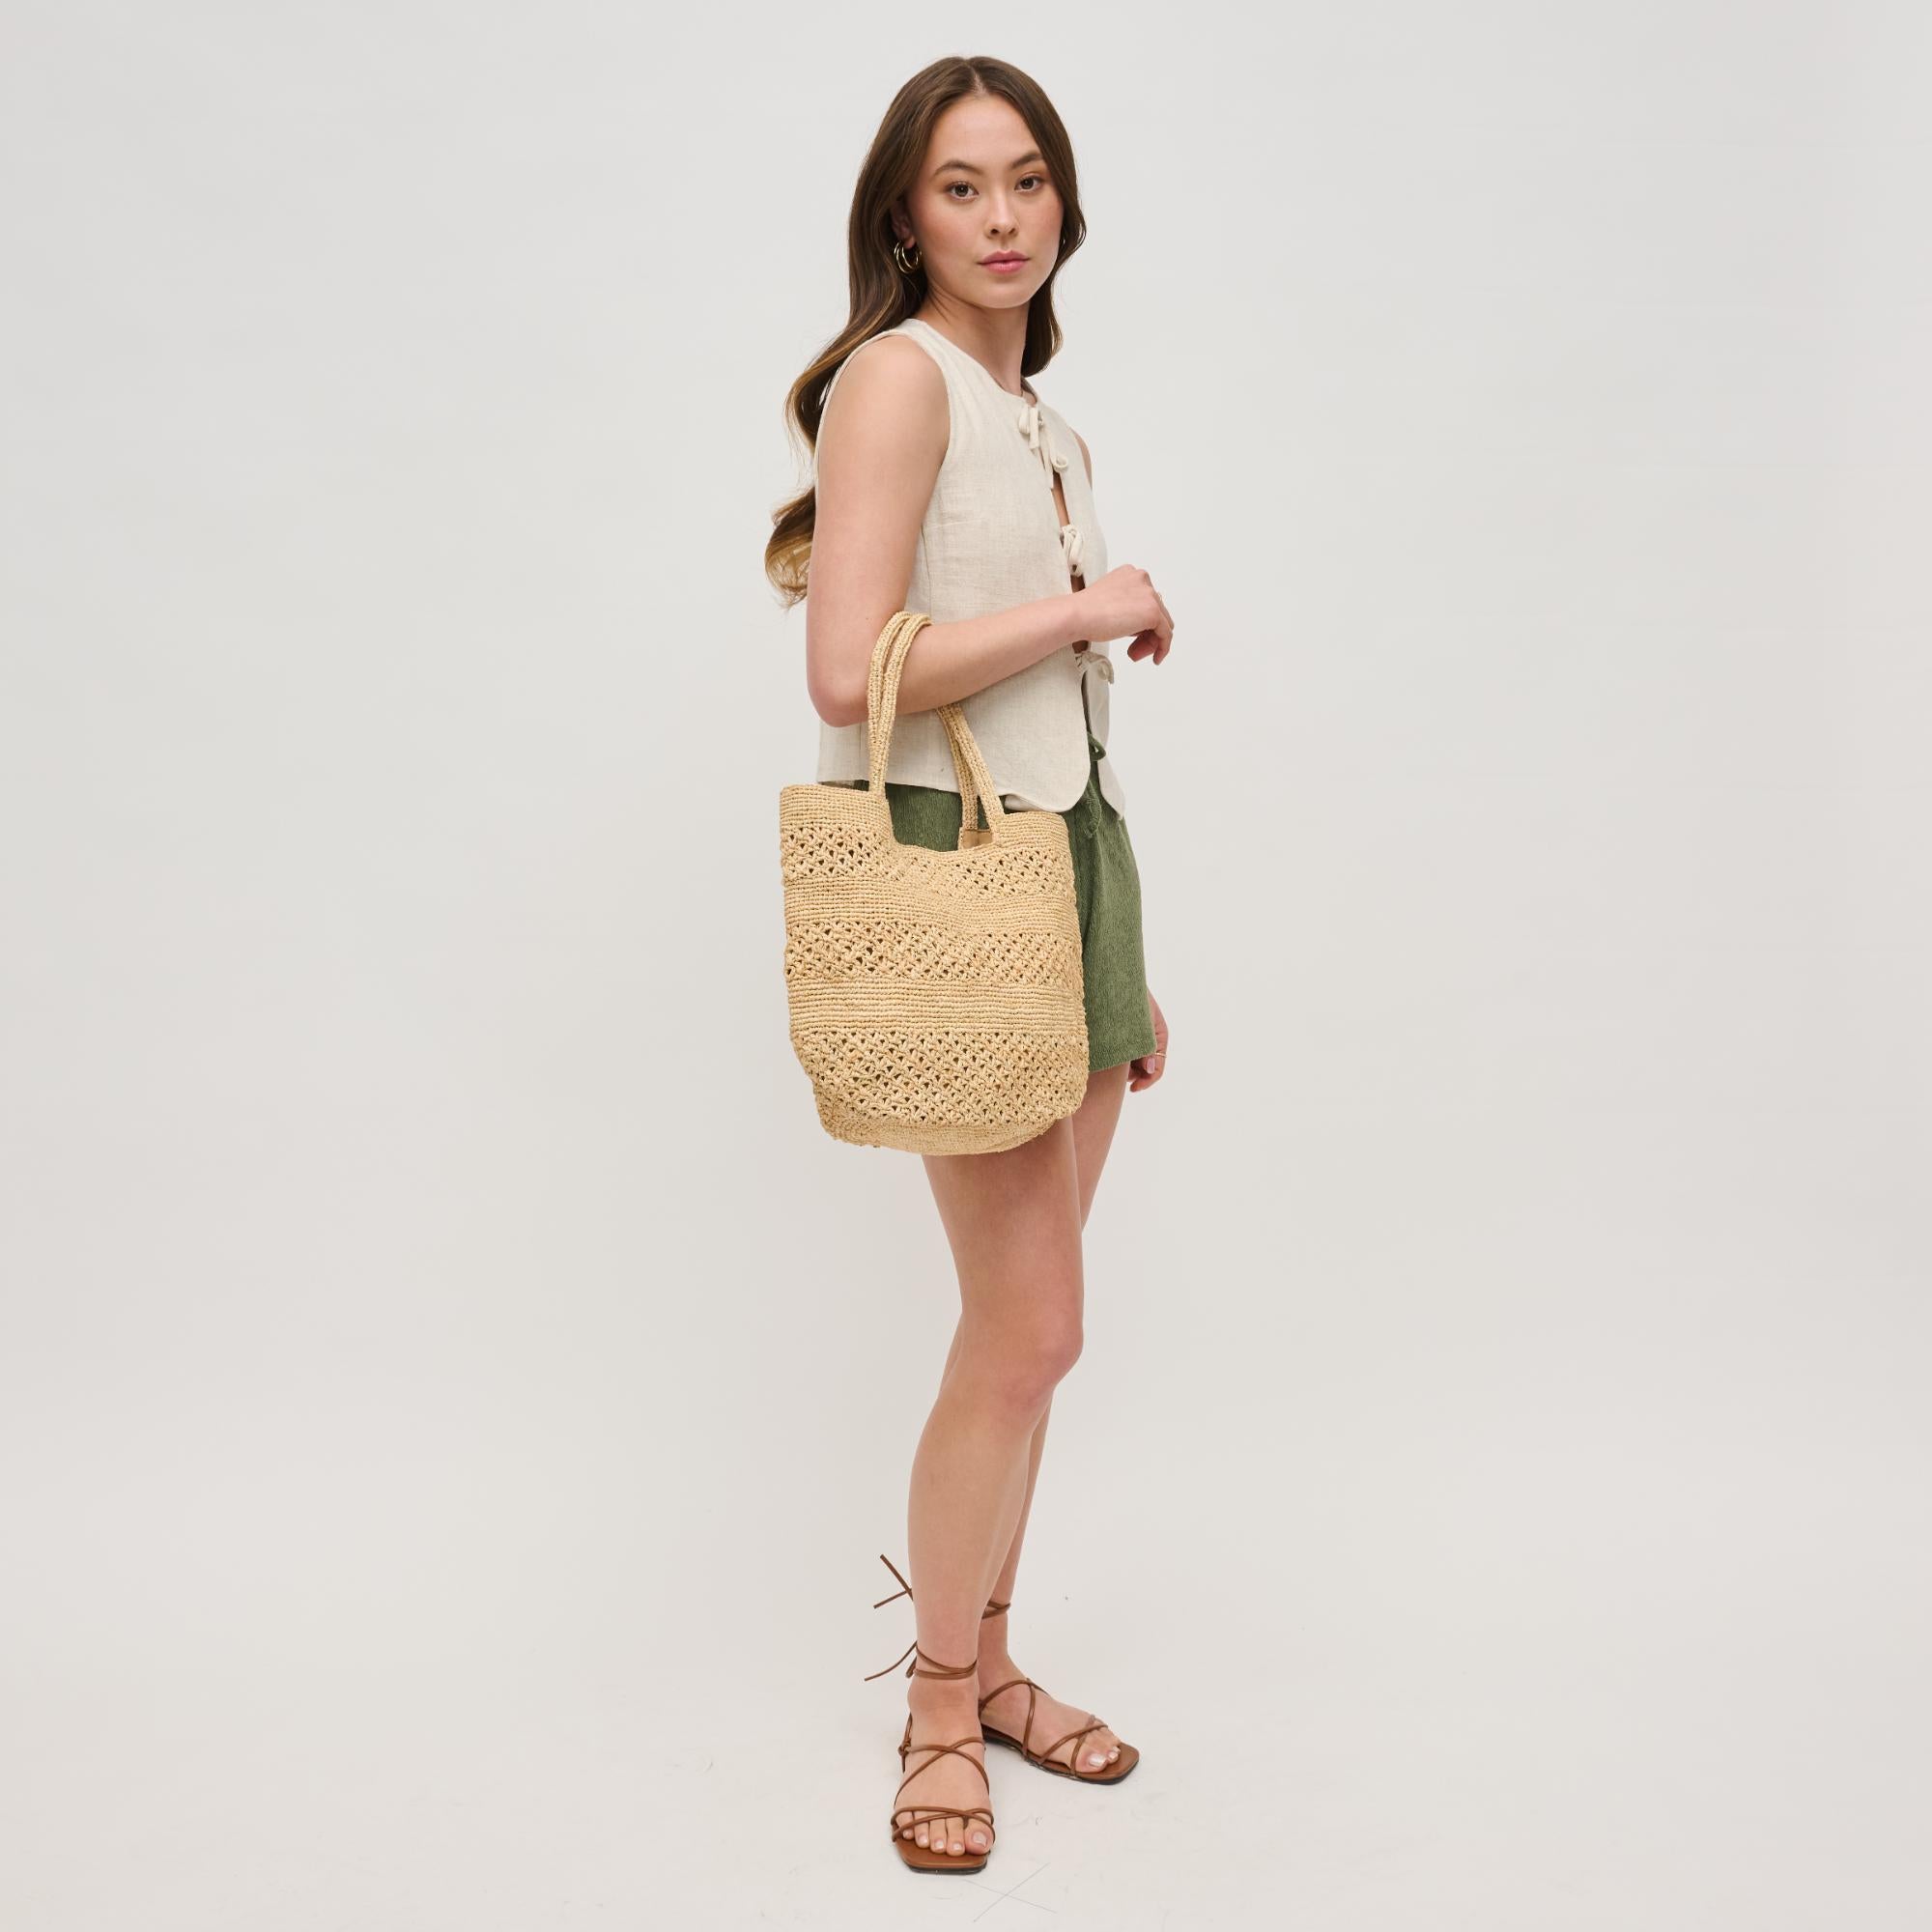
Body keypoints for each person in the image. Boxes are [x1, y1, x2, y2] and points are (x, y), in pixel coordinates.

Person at [764, 54, 1177, 1876]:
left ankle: (993, 1663)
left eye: (1027, 182)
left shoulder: (1045, 423)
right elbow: (846, 665)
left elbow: (1050, 726)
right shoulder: (899, 382)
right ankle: (941, 1703)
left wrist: (1123, 956)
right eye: (960, 187)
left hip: (1069, 872)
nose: (1002, 218)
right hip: (955, 875)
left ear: (1064, 203)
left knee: (1035, 1341)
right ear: (904, 218)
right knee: (1032, 1330)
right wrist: (1091, 605)